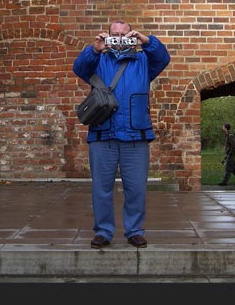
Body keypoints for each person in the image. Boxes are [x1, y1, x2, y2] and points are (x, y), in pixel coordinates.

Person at [73, 19, 171, 249]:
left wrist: (147, 41)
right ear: (107, 37)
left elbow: (163, 58)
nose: (119, 38)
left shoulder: (144, 61)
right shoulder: (98, 60)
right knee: (102, 189)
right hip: (102, 134)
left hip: (136, 135)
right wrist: (93, 50)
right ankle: (103, 232)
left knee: (136, 188)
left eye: (124, 34)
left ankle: (135, 231)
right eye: (114, 34)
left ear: (132, 37)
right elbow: (79, 68)